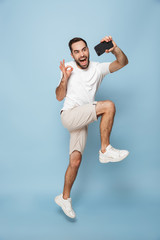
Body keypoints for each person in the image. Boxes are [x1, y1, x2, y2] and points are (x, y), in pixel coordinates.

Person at [55, 35, 129, 219]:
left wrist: (115, 49)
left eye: (84, 49)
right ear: (72, 54)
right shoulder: (69, 69)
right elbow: (58, 97)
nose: (81, 54)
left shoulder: (98, 68)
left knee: (75, 161)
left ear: (88, 50)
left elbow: (122, 62)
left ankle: (64, 198)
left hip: (83, 118)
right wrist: (64, 79)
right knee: (108, 105)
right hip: (70, 116)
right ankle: (105, 150)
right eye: (76, 51)